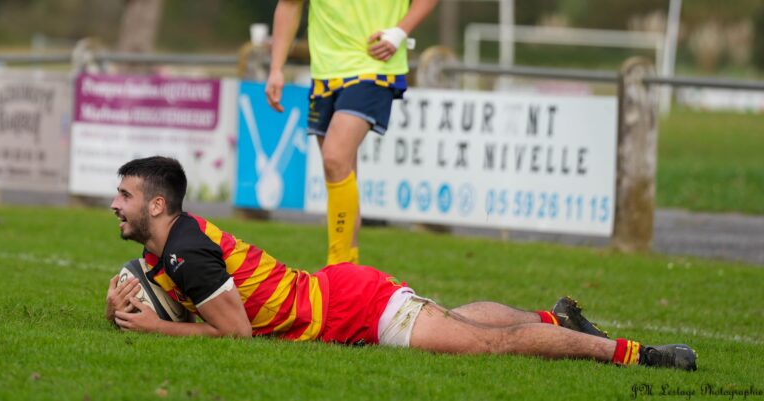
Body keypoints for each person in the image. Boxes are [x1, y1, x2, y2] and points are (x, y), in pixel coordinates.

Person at [105, 156, 697, 371]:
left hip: (354, 309)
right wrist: (117, 308)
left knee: (492, 346)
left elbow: (236, 333)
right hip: (341, 296)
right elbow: (180, 304)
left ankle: (637, 354)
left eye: (125, 196)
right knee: (461, 322)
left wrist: (152, 324)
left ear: (158, 204)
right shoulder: (167, 249)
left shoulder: (185, 251)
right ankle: (556, 318)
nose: (114, 205)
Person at [264, 0, 439, 265]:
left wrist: (399, 32)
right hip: (325, 73)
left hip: (374, 67)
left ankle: (337, 267)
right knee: (341, 171)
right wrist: (276, 69)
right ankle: (349, 272)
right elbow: (288, 6)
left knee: (334, 157)